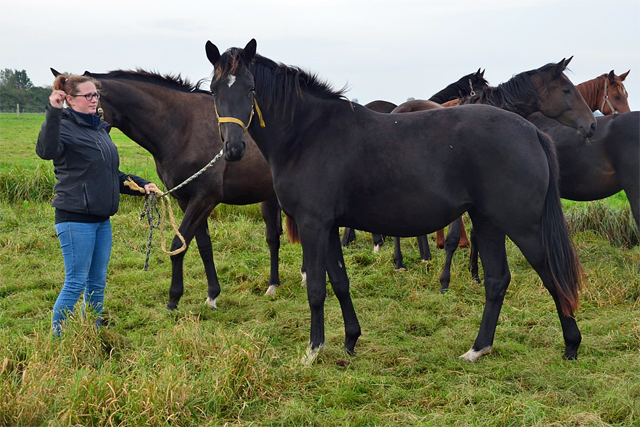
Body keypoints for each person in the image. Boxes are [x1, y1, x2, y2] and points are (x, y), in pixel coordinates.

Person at [36, 73, 159, 336]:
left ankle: (90, 334)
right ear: (70, 99)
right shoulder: (63, 126)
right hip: (75, 218)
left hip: (101, 220)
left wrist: (142, 185)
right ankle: (57, 342)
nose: (94, 100)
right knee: (75, 283)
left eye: (96, 95)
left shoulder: (98, 128)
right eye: (88, 95)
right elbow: (46, 151)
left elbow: (109, 173)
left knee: (96, 284)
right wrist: (53, 111)